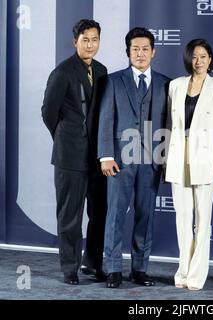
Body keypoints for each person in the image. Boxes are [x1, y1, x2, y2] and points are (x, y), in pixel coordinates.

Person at [98, 27, 170, 289]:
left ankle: (140, 268)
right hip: (120, 159)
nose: (140, 54)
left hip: (152, 158)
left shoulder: (165, 83)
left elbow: (170, 123)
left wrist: (166, 159)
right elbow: (106, 120)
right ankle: (113, 268)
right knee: (115, 214)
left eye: (145, 49)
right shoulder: (114, 81)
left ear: (154, 52)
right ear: (128, 52)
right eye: (135, 49)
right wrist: (106, 156)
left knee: (146, 215)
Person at [41, 19, 108, 285]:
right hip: (70, 156)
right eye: (85, 40)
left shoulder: (102, 70)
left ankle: (93, 263)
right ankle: (70, 268)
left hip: (98, 156)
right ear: (75, 41)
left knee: (99, 212)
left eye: (94, 39)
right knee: (70, 216)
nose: (90, 44)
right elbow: (49, 113)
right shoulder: (63, 72)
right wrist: (65, 138)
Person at [165, 39, 213, 290]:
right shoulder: (176, 86)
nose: (199, 61)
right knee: (182, 218)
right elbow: (170, 125)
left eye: (204, 56)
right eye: (194, 56)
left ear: (211, 59)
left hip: (206, 157)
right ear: (188, 59)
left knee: (203, 220)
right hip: (178, 154)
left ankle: (196, 275)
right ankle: (183, 270)